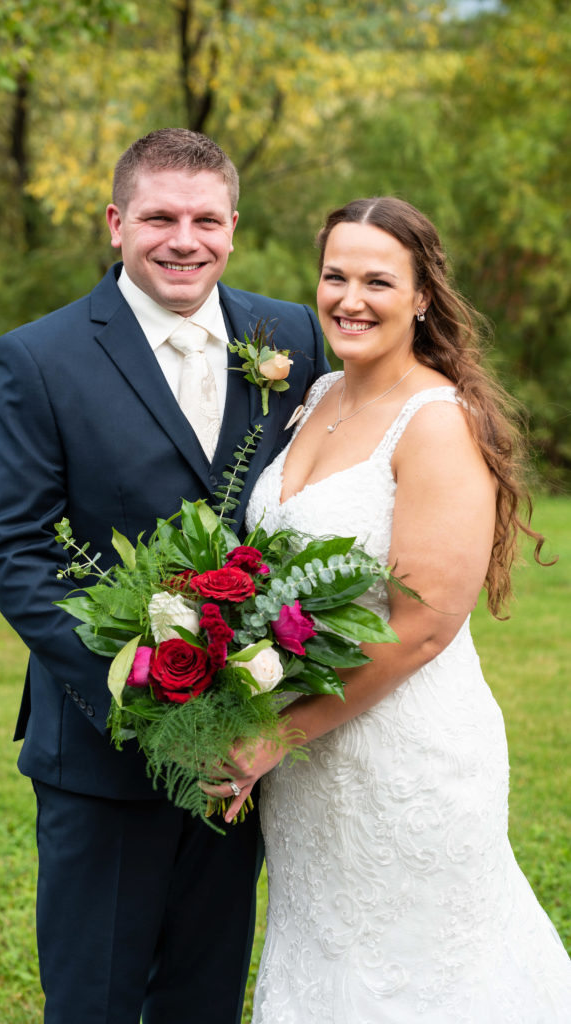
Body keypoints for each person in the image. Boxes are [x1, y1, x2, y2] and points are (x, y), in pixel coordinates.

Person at [0, 128, 328, 1024]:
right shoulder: (38, 357)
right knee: (93, 998)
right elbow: (13, 548)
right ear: (115, 223)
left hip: (244, 750)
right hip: (103, 750)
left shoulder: (291, 335)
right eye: (159, 217)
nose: (184, 240)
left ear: (234, 226)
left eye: (206, 219)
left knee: (205, 996)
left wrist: (261, 696)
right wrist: (146, 700)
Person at [209, 196, 571, 1021]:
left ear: (422, 297)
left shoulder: (437, 422)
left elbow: (423, 627)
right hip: (310, 771)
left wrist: (273, 738)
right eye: (334, 276)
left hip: (406, 757)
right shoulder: (316, 395)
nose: (350, 298)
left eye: (378, 280)